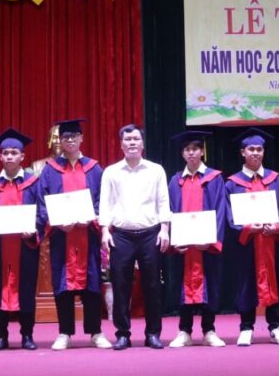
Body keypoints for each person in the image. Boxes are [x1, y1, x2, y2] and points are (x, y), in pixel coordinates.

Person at [38, 118, 111, 350]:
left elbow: (102, 199)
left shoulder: (94, 168)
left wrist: (92, 218)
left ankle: (96, 332)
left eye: (73, 136)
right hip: (62, 236)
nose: (69, 140)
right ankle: (64, 332)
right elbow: (43, 201)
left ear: (81, 139)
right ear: (59, 141)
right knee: (62, 285)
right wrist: (57, 223)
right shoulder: (50, 170)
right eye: (65, 137)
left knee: (92, 284)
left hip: (88, 234)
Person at [100, 124, 171, 350]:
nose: (132, 143)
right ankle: (123, 334)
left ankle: (153, 334)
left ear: (142, 143)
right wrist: (104, 231)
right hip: (121, 236)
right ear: (121, 144)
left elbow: (163, 201)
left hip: (151, 234)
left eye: (135, 139)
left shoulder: (156, 170)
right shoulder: (111, 172)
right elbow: (105, 204)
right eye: (127, 139)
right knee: (120, 286)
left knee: (153, 286)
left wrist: (165, 229)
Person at [224, 127, 279, 347]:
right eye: (251, 149)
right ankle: (246, 327)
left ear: (264, 152)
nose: (255, 153)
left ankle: (276, 327)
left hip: (272, 242)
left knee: (275, 281)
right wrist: (247, 227)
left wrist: (278, 227)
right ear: (242, 152)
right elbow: (229, 217)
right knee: (245, 283)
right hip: (247, 244)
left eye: (259, 149)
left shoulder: (276, 180)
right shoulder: (232, 183)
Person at [0, 128, 45, 351]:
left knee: (26, 289)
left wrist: (33, 230)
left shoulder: (33, 183)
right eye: (6, 153)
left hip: (25, 245)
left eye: (14, 153)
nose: (9, 156)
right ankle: (1, 336)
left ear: (22, 156)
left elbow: (41, 211)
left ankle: (27, 335)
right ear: (0, 156)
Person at [165, 130, 228, 348]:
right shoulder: (175, 181)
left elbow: (221, 211)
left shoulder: (214, 178)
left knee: (210, 283)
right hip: (183, 247)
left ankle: (209, 330)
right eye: (187, 149)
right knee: (183, 286)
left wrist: (211, 241)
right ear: (182, 154)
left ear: (202, 151)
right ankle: (184, 331)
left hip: (206, 246)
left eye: (195, 149)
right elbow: (169, 212)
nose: (191, 153)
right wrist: (174, 241)